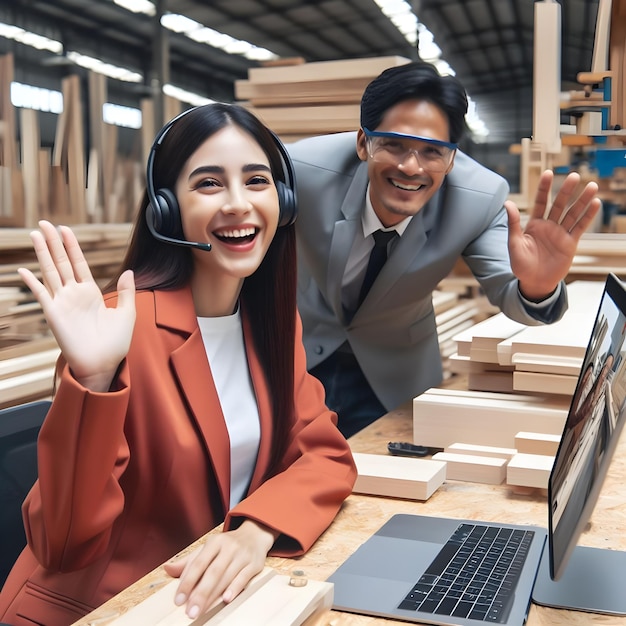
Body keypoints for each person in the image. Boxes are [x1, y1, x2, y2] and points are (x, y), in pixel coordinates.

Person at [0, 103, 356, 626]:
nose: (239, 204)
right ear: (167, 209)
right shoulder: (115, 330)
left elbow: (325, 455)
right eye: (209, 184)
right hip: (105, 608)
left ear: (282, 200)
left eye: (257, 181)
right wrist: (93, 382)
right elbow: (63, 545)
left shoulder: (271, 325)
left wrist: (254, 532)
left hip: (205, 599)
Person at [287, 61, 602, 438]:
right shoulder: (302, 170)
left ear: (452, 159)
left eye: (432, 152)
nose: (410, 166)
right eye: (393, 144)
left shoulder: (478, 199)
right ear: (363, 142)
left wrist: (539, 286)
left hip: (394, 376)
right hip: (298, 358)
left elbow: (509, 291)